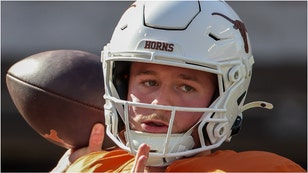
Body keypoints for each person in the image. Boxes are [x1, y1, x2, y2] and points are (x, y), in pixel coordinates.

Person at [52, 0, 306, 172]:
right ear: (121, 83)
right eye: (149, 82)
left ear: (223, 96)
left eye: (186, 87)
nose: (159, 102)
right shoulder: (91, 167)